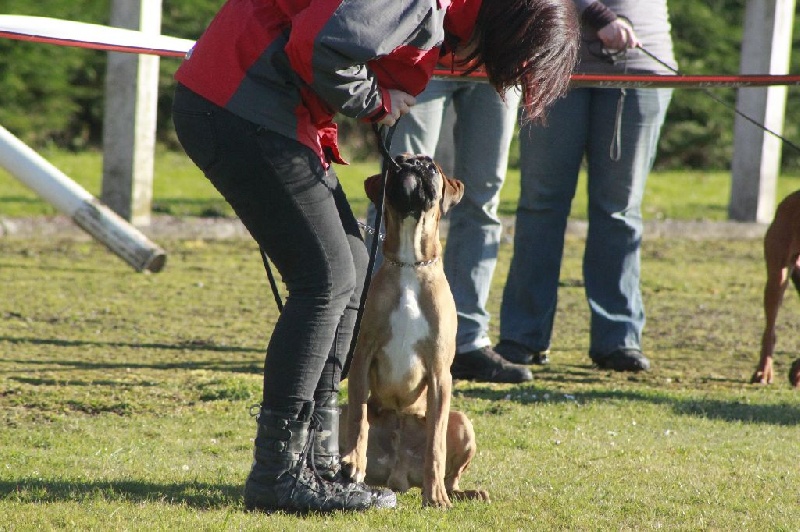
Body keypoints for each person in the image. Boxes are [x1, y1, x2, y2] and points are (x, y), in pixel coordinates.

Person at [172, 0, 578, 515]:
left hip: (256, 107)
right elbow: (320, 46)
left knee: (352, 261)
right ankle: (276, 473)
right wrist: (375, 99)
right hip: (238, 105)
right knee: (326, 278)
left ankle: (317, 461)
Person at [495, 0, 676, 372]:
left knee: (619, 209)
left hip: (641, 63)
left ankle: (619, 338)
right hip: (556, 59)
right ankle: (522, 334)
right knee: (541, 204)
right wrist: (597, 14)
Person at [367, 77, 534, 384]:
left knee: (482, 201)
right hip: (427, 62)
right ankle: (367, 334)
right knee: (396, 189)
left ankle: (468, 341)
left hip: (494, 66)